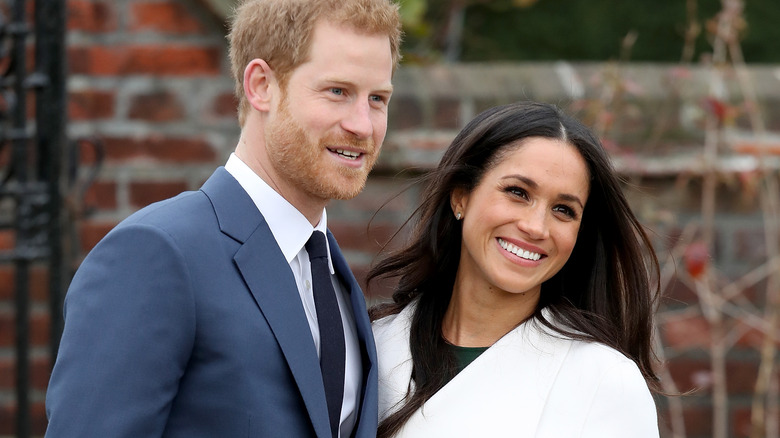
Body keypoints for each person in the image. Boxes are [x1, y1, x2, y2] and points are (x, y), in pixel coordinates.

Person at [45, 0, 401, 437]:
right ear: (261, 85)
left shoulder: (333, 275)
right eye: (337, 91)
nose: (363, 125)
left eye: (378, 99)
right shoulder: (156, 252)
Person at [368, 101, 661, 437]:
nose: (536, 227)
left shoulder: (603, 382)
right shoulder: (372, 346)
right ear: (461, 196)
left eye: (564, 210)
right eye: (518, 192)